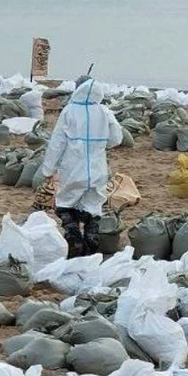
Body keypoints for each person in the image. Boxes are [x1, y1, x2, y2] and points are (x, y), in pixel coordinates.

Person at [39, 77, 123, 258]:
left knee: (66, 205)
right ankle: (91, 242)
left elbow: (57, 143)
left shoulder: (69, 111)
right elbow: (117, 138)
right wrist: (100, 144)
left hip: (73, 168)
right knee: (92, 207)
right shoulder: (104, 111)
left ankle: (73, 239)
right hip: (97, 169)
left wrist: (48, 170)